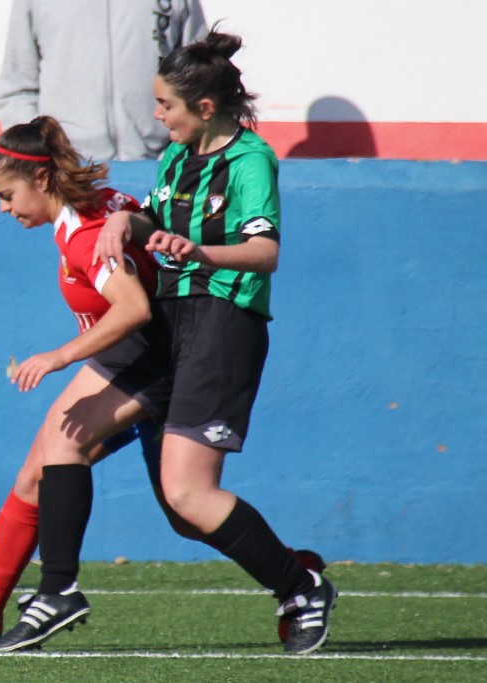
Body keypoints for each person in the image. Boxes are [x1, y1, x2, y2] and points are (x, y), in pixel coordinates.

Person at [84, 29, 337, 656]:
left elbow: (264, 252)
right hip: (167, 323)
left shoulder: (250, 160)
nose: (156, 115)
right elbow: (156, 217)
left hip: (223, 323)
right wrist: (125, 221)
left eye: (164, 104)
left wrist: (200, 252)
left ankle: (301, 589)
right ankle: (289, 568)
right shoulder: (178, 154)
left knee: (189, 493)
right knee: (180, 510)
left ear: (203, 107)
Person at [0, 115, 176, 649]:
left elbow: (133, 308)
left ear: (40, 179)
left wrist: (58, 356)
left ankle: (296, 578)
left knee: (188, 507)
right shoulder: (89, 208)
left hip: (149, 360)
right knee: (37, 474)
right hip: (128, 358)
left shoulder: (82, 234)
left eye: (6, 195)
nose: (3, 209)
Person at [0, 0, 207, 161]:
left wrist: (176, 155)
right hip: (68, 176)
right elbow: (18, 92)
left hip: (161, 169)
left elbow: (203, 81)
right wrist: (46, 154)